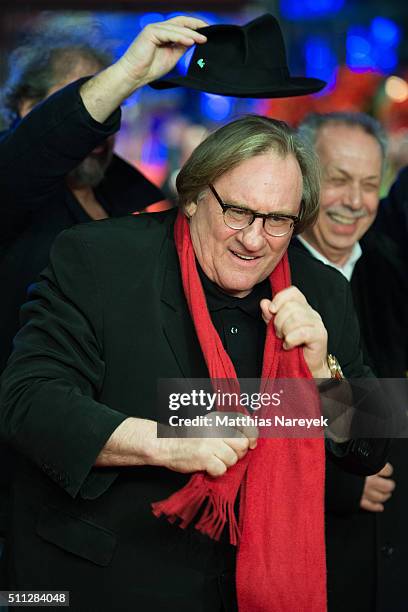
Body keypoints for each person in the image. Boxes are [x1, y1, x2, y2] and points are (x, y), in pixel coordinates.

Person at [0, 16, 389, 612]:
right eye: (236, 211)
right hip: (96, 580)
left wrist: (324, 379)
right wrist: (165, 441)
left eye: (279, 221)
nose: (254, 240)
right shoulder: (103, 258)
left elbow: (370, 446)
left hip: (251, 588)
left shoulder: (322, 292)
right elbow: (27, 401)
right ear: (192, 196)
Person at [0, 20, 165, 372]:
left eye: (112, 107)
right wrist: (129, 72)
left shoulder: (128, 200)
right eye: (94, 104)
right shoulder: (11, 180)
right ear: (30, 110)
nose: (101, 126)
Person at [297, 112, 408, 612]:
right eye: (338, 180)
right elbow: (221, 409)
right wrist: (338, 480)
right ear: (302, 179)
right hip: (306, 550)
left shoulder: (392, 269)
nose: (355, 202)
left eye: (369, 184)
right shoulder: (259, 270)